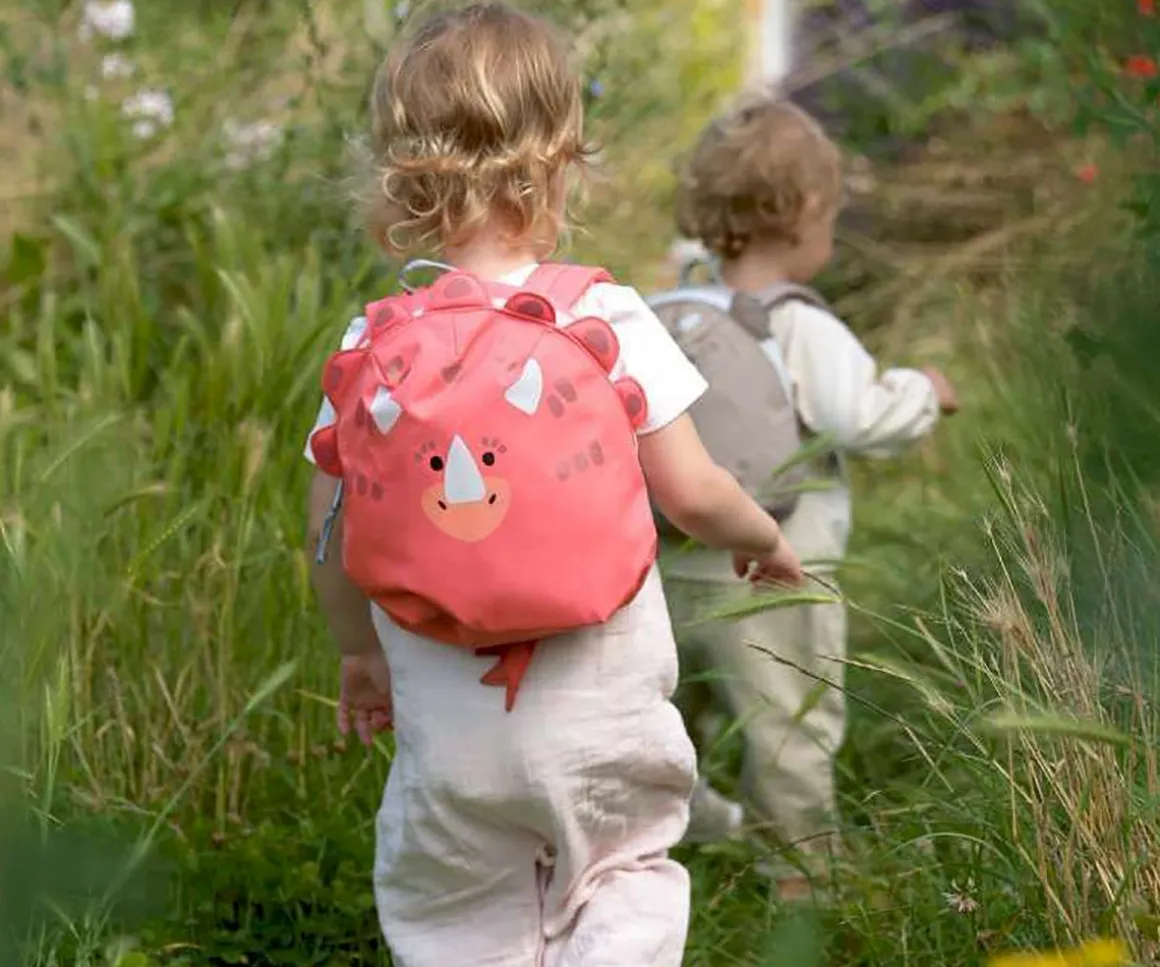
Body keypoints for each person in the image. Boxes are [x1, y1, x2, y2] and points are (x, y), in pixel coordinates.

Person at [302, 6, 804, 965]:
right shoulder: (601, 315)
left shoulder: (371, 347)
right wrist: (761, 540)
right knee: (619, 876)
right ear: (565, 161)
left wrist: (357, 651)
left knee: (457, 908)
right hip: (602, 715)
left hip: (449, 730)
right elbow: (695, 491)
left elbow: (327, 527)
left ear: (399, 174)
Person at [666, 96, 959, 900]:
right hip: (776, 570)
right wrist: (923, 392)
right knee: (788, 726)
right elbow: (860, 416)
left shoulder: (672, 312)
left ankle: (662, 829)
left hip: (667, 568)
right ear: (801, 216)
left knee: (659, 724)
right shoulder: (801, 326)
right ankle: (799, 875)